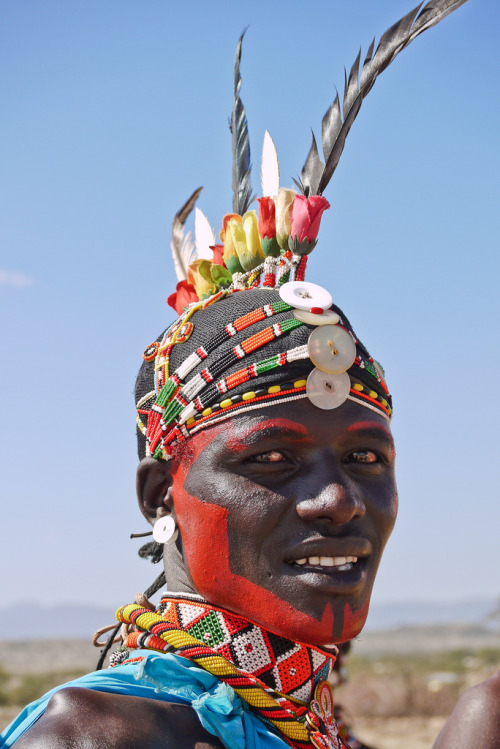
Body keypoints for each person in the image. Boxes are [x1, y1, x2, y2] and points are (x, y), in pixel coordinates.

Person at [4, 1, 496, 747]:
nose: (337, 499)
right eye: (271, 457)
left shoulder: (314, 729)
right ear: (157, 494)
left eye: (367, 457)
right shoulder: (104, 735)